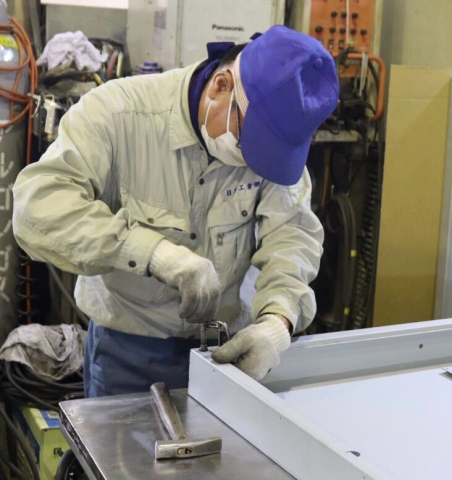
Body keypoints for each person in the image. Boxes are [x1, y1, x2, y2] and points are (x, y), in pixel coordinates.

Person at [12, 25, 338, 397]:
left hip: (229, 348)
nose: (254, 160)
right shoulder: (118, 113)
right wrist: (154, 254)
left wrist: (277, 321)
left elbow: (291, 235)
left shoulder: (274, 144)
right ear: (220, 86)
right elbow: (37, 208)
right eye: (250, 142)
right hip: (128, 350)